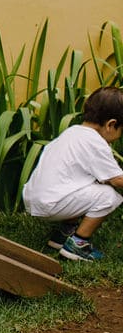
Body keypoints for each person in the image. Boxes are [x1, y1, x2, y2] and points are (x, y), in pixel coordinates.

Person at [22, 86, 123, 262]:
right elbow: (117, 179)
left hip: (36, 199)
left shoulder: (72, 133)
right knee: (110, 197)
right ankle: (78, 244)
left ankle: (62, 235)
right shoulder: (95, 142)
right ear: (111, 124)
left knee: (89, 183)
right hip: (52, 203)